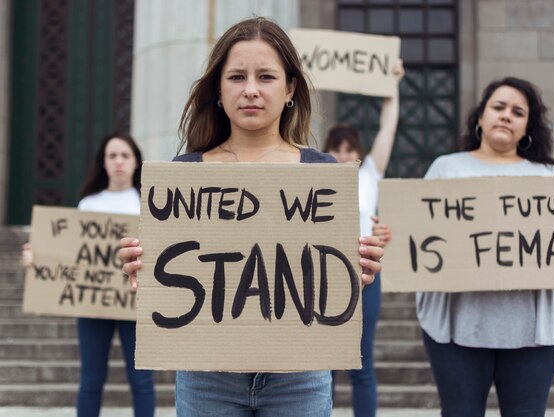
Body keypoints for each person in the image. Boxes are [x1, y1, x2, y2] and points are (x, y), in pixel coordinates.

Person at [118, 17, 383, 417]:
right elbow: (171, 269)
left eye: (266, 76)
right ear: (219, 91)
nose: (252, 90)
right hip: (206, 373)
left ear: (290, 88)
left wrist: (359, 269)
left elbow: (331, 277)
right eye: (237, 77)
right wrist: (142, 262)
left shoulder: (323, 172)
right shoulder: (184, 175)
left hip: (300, 372)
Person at [375, 77, 554, 417]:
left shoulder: (547, 177)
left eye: (517, 112)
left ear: (528, 126)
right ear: (480, 117)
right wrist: (392, 234)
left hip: (534, 333)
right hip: (457, 330)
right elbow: (418, 232)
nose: (506, 116)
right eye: (498, 107)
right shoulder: (446, 168)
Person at [22, 133, 155, 417]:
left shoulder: (149, 204)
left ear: (135, 162)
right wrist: (38, 257)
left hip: (136, 302)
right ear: (104, 163)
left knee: (141, 380)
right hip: (92, 304)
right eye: (112, 156)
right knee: (91, 380)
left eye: (125, 155)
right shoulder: (88, 205)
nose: (119, 161)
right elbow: (68, 253)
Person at [323, 60, 404, 417]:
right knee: (322, 364)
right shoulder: (314, 174)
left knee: (361, 363)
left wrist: (393, 85)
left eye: (349, 148)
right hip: (322, 274)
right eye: (336, 149)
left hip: (364, 274)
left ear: (358, 152)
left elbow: (389, 127)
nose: (343, 155)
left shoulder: (370, 173)